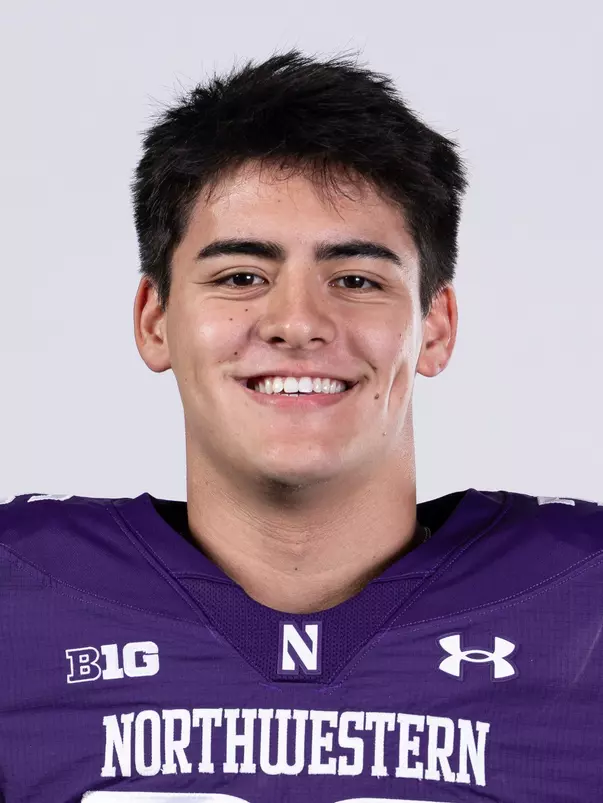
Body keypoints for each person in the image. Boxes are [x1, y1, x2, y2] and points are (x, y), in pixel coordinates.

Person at [1, 49, 601, 803]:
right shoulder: (17, 600)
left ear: (435, 327)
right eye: (241, 276)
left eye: (355, 279)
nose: (297, 322)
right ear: (154, 321)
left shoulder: (584, 602)